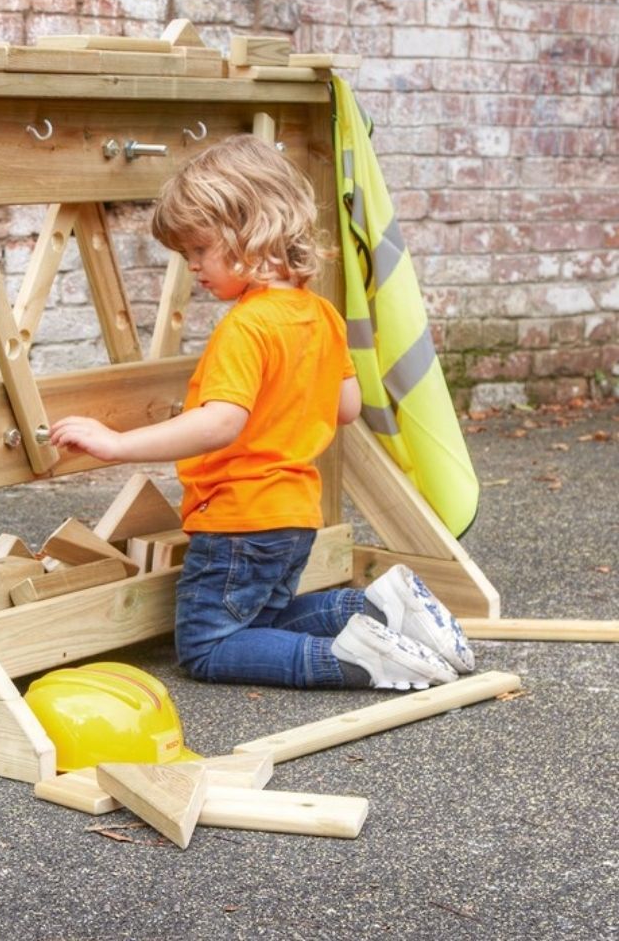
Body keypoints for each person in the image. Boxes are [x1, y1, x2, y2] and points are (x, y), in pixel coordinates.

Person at [50, 135, 474, 691]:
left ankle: (357, 661)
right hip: (294, 518)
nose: (194, 268)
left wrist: (117, 443)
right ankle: (373, 610)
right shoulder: (319, 313)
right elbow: (346, 407)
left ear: (247, 232)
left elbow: (221, 422)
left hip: (239, 521)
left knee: (208, 645)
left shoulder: (247, 326)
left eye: (199, 250)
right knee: (263, 621)